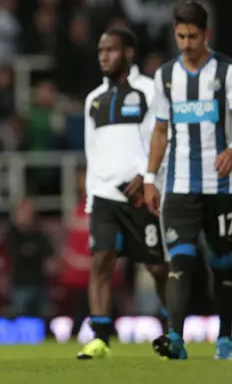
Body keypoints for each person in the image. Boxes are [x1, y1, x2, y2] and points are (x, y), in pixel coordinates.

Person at [144, 0, 232, 360]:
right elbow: (160, 131)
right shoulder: (165, 76)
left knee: (222, 263)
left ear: (206, 34)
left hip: (220, 186)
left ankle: (224, 338)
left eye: (193, 36)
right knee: (181, 260)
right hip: (178, 185)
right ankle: (175, 337)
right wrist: (149, 178)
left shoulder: (228, 72)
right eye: (180, 36)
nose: (186, 44)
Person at [78, 27, 169, 359]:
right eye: (101, 50)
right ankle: (100, 336)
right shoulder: (94, 99)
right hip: (104, 195)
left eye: (111, 50)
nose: (104, 56)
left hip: (140, 194)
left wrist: (149, 176)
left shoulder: (149, 90)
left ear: (129, 53)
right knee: (101, 260)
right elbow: (93, 151)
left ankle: (172, 329)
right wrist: (91, 195)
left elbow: (164, 137)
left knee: (157, 268)